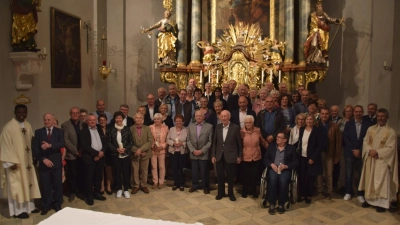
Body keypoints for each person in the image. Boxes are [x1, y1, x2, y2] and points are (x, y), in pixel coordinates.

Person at [0, 104, 41, 219]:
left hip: (27, 163)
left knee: (28, 185)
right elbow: (5, 146)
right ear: (15, 112)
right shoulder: (8, 128)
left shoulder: (27, 125)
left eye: (24, 112)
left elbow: (31, 141)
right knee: (18, 187)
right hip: (15, 164)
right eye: (19, 112)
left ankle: (30, 207)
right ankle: (18, 211)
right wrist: (9, 163)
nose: (22, 115)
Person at [358, 108, 398, 213]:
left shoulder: (391, 132)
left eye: (382, 116)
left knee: (380, 182)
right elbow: (365, 141)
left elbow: (391, 148)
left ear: (387, 117)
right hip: (370, 159)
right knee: (369, 180)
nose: (380, 118)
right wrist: (370, 151)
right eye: (378, 116)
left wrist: (377, 152)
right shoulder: (371, 129)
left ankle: (381, 203)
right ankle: (369, 200)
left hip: (382, 161)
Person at [32, 113, 64, 214]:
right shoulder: (38, 132)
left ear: (53, 120)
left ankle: (57, 204)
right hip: (44, 163)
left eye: (49, 120)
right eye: (45, 120)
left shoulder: (59, 131)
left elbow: (62, 143)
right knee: (45, 186)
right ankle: (46, 205)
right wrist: (43, 159)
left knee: (58, 185)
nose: (46, 121)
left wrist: (50, 145)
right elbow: (35, 149)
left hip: (56, 163)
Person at [212, 110, 243, 201]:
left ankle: (230, 193)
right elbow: (215, 143)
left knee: (230, 176)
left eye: (225, 116)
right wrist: (213, 155)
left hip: (231, 155)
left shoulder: (235, 127)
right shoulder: (217, 127)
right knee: (220, 176)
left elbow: (239, 144)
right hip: (219, 155)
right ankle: (220, 193)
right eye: (222, 116)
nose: (224, 118)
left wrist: (239, 155)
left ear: (229, 117)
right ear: (220, 117)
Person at [264, 132, 298, 215]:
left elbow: (296, 162)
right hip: (274, 168)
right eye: (277, 137)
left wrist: (286, 166)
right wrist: (271, 164)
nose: (277, 138)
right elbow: (265, 159)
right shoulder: (271, 147)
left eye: (279, 137)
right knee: (273, 179)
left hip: (285, 169)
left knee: (283, 180)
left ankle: (281, 203)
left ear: (285, 140)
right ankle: (272, 203)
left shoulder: (291, 148)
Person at [343, 105, 370, 202]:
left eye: (360, 111)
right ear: (354, 113)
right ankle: (348, 192)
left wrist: (360, 150)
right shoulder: (348, 124)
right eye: (356, 111)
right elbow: (346, 138)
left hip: (361, 153)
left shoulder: (367, 125)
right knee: (349, 173)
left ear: (362, 113)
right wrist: (353, 150)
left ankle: (360, 193)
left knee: (361, 174)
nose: (358, 113)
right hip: (350, 153)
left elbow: (367, 140)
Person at [80, 114, 108, 205]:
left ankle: (97, 193)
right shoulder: (83, 131)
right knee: (89, 178)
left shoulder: (99, 129)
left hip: (100, 157)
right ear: (87, 121)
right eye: (90, 120)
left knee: (98, 177)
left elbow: (105, 142)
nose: (92, 121)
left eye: (94, 120)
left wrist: (101, 153)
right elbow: (84, 146)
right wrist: (96, 154)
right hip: (90, 158)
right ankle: (89, 196)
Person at [107, 112, 134, 199]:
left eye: (120, 118)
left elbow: (131, 141)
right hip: (115, 154)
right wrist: (116, 149)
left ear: (122, 119)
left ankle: (125, 189)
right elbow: (109, 142)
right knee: (117, 172)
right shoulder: (111, 129)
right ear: (114, 119)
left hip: (125, 154)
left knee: (126, 172)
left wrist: (125, 148)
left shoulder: (127, 129)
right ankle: (119, 189)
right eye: (117, 118)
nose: (118, 120)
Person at [317, 107, 341, 200]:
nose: (324, 115)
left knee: (329, 173)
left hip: (329, 153)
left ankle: (329, 191)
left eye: (326, 114)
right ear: (320, 114)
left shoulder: (334, 126)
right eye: (322, 114)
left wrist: (337, 156)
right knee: (319, 173)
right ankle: (319, 190)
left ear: (329, 115)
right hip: (319, 153)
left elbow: (338, 142)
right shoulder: (316, 124)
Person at [297, 115, 322, 204]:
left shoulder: (317, 131)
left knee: (311, 177)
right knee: (302, 176)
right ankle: (303, 194)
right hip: (302, 156)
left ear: (313, 121)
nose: (308, 121)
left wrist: (313, 158)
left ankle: (309, 195)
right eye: (307, 119)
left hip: (311, 157)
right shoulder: (302, 129)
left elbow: (319, 146)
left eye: (310, 119)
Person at [241, 115, 268, 198]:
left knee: (254, 175)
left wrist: (270, 149)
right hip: (245, 156)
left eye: (250, 122)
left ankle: (253, 191)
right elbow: (239, 144)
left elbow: (263, 142)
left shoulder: (257, 130)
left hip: (256, 156)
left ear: (253, 123)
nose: (248, 124)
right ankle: (245, 190)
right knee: (245, 175)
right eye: (246, 122)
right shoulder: (241, 132)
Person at [187, 111, 213, 194]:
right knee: (194, 171)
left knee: (204, 171)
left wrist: (202, 151)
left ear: (203, 117)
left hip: (203, 153)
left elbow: (210, 141)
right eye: (196, 116)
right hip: (193, 152)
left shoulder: (209, 126)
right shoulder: (190, 126)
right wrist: (193, 150)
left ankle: (205, 187)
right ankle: (195, 185)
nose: (198, 117)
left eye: (200, 116)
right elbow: (188, 139)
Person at [61, 107, 83, 202]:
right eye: (73, 113)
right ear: (70, 114)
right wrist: (76, 151)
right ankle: (72, 192)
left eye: (76, 113)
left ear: (79, 114)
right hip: (72, 154)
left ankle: (80, 190)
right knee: (72, 174)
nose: (75, 114)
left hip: (82, 153)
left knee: (81, 173)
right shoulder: (65, 125)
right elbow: (66, 140)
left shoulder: (84, 124)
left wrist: (82, 150)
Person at [130, 113, 153, 195]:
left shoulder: (147, 128)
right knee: (135, 170)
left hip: (145, 153)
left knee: (144, 170)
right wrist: (137, 151)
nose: (138, 119)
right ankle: (135, 185)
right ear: (134, 119)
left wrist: (141, 150)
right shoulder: (130, 129)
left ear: (142, 119)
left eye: (140, 118)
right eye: (137, 118)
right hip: (135, 153)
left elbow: (150, 141)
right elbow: (129, 142)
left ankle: (143, 185)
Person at [167, 115, 188, 191]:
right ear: (175, 121)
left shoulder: (186, 130)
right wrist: (173, 143)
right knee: (174, 168)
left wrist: (182, 144)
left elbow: (188, 140)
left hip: (182, 152)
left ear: (183, 121)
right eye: (177, 121)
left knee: (182, 168)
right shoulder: (171, 129)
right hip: (173, 151)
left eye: (180, 121)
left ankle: (182, 184)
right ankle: (176, 183)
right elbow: (167, 139)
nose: (178, 122)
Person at [149, 113, 169, 189]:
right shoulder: (150, 127)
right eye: (155, 119)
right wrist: (152, 145)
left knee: (161, 166)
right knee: (154, 166)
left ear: (161, 120)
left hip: (162, 150)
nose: (156, 120)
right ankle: (155, 182)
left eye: (158, 119)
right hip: (153, 150)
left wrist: (163, 146)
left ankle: (161, 182)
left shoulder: (166, 127)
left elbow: (168, 139)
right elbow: (149, 139)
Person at [98, 115, 112, 195]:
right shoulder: (97, 129)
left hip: (109, 152)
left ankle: (109, 186)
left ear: (107, 121)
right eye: (101, 120)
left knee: (109, 170)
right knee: (101, 170)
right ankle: (102, 186)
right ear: (99, 121)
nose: (102, 121)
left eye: (104, 120)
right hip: (100, 152)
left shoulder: (110, 129)